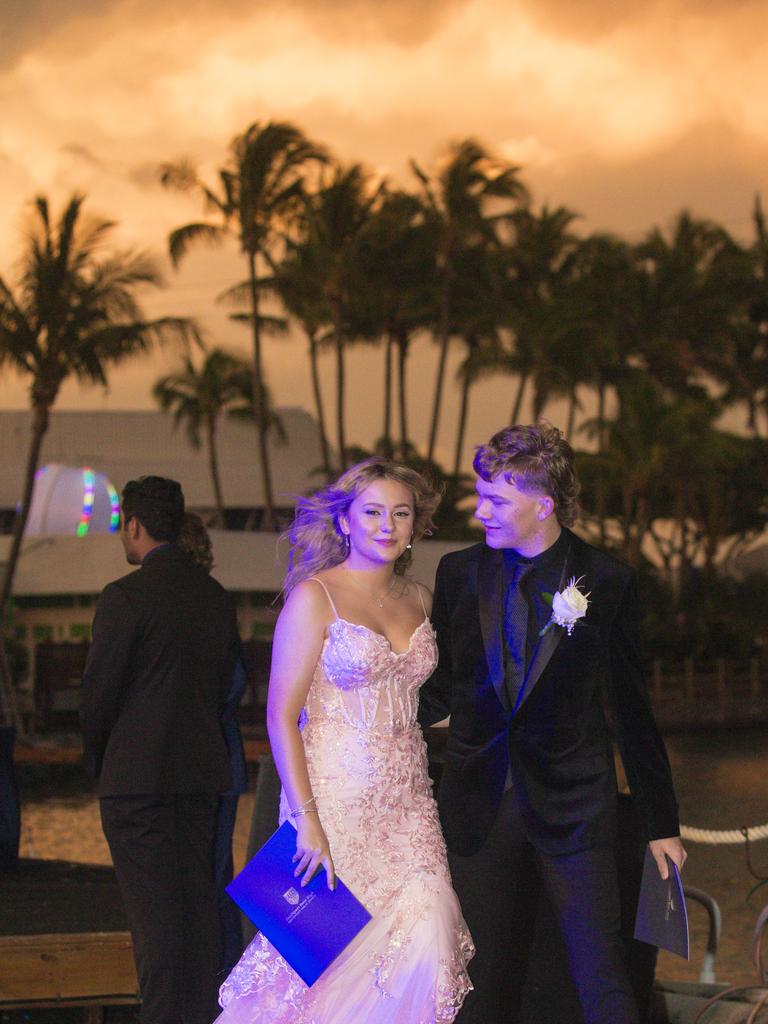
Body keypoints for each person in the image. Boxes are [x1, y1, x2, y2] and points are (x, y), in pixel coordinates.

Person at [418, 423, 686, 1024]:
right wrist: (362, 729)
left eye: (495, 500)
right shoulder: (459, 572)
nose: (479, 509)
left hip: (573, 811)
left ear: (543, 505)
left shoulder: (608, 581)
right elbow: (440, 687)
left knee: (601, 975)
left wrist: (660, 823)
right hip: (477, 807)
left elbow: (632, 711)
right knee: (469, 979)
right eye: (481, 494)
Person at [216, 457, 474, 1024]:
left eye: (401, 513)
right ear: (346, 523)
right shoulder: (315, 597)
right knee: (322, 964)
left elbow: (423, 705)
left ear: (415, 526)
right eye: (373, 512)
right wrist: (306, 818)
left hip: (410, 807)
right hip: (331, 807)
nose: (387, 524)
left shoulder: (424, 600)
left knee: (427, 937)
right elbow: (281, 716)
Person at [79, 477, 240, 1024]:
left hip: (136, 781)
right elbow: (223, 685)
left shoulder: (123, 597)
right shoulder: (214, 597)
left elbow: (98, 696)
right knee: (196, 913)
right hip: (200, 775)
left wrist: (99, 760)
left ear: (134, 526)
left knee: (154, 922)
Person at [177, 512, 248, 980]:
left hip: (206, 758)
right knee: (217, 870)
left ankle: (218, 972)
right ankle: (223, 968)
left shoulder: (200, 603)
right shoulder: (218, 602)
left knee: (205, 873)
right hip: (222, 756)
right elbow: (239, 681)